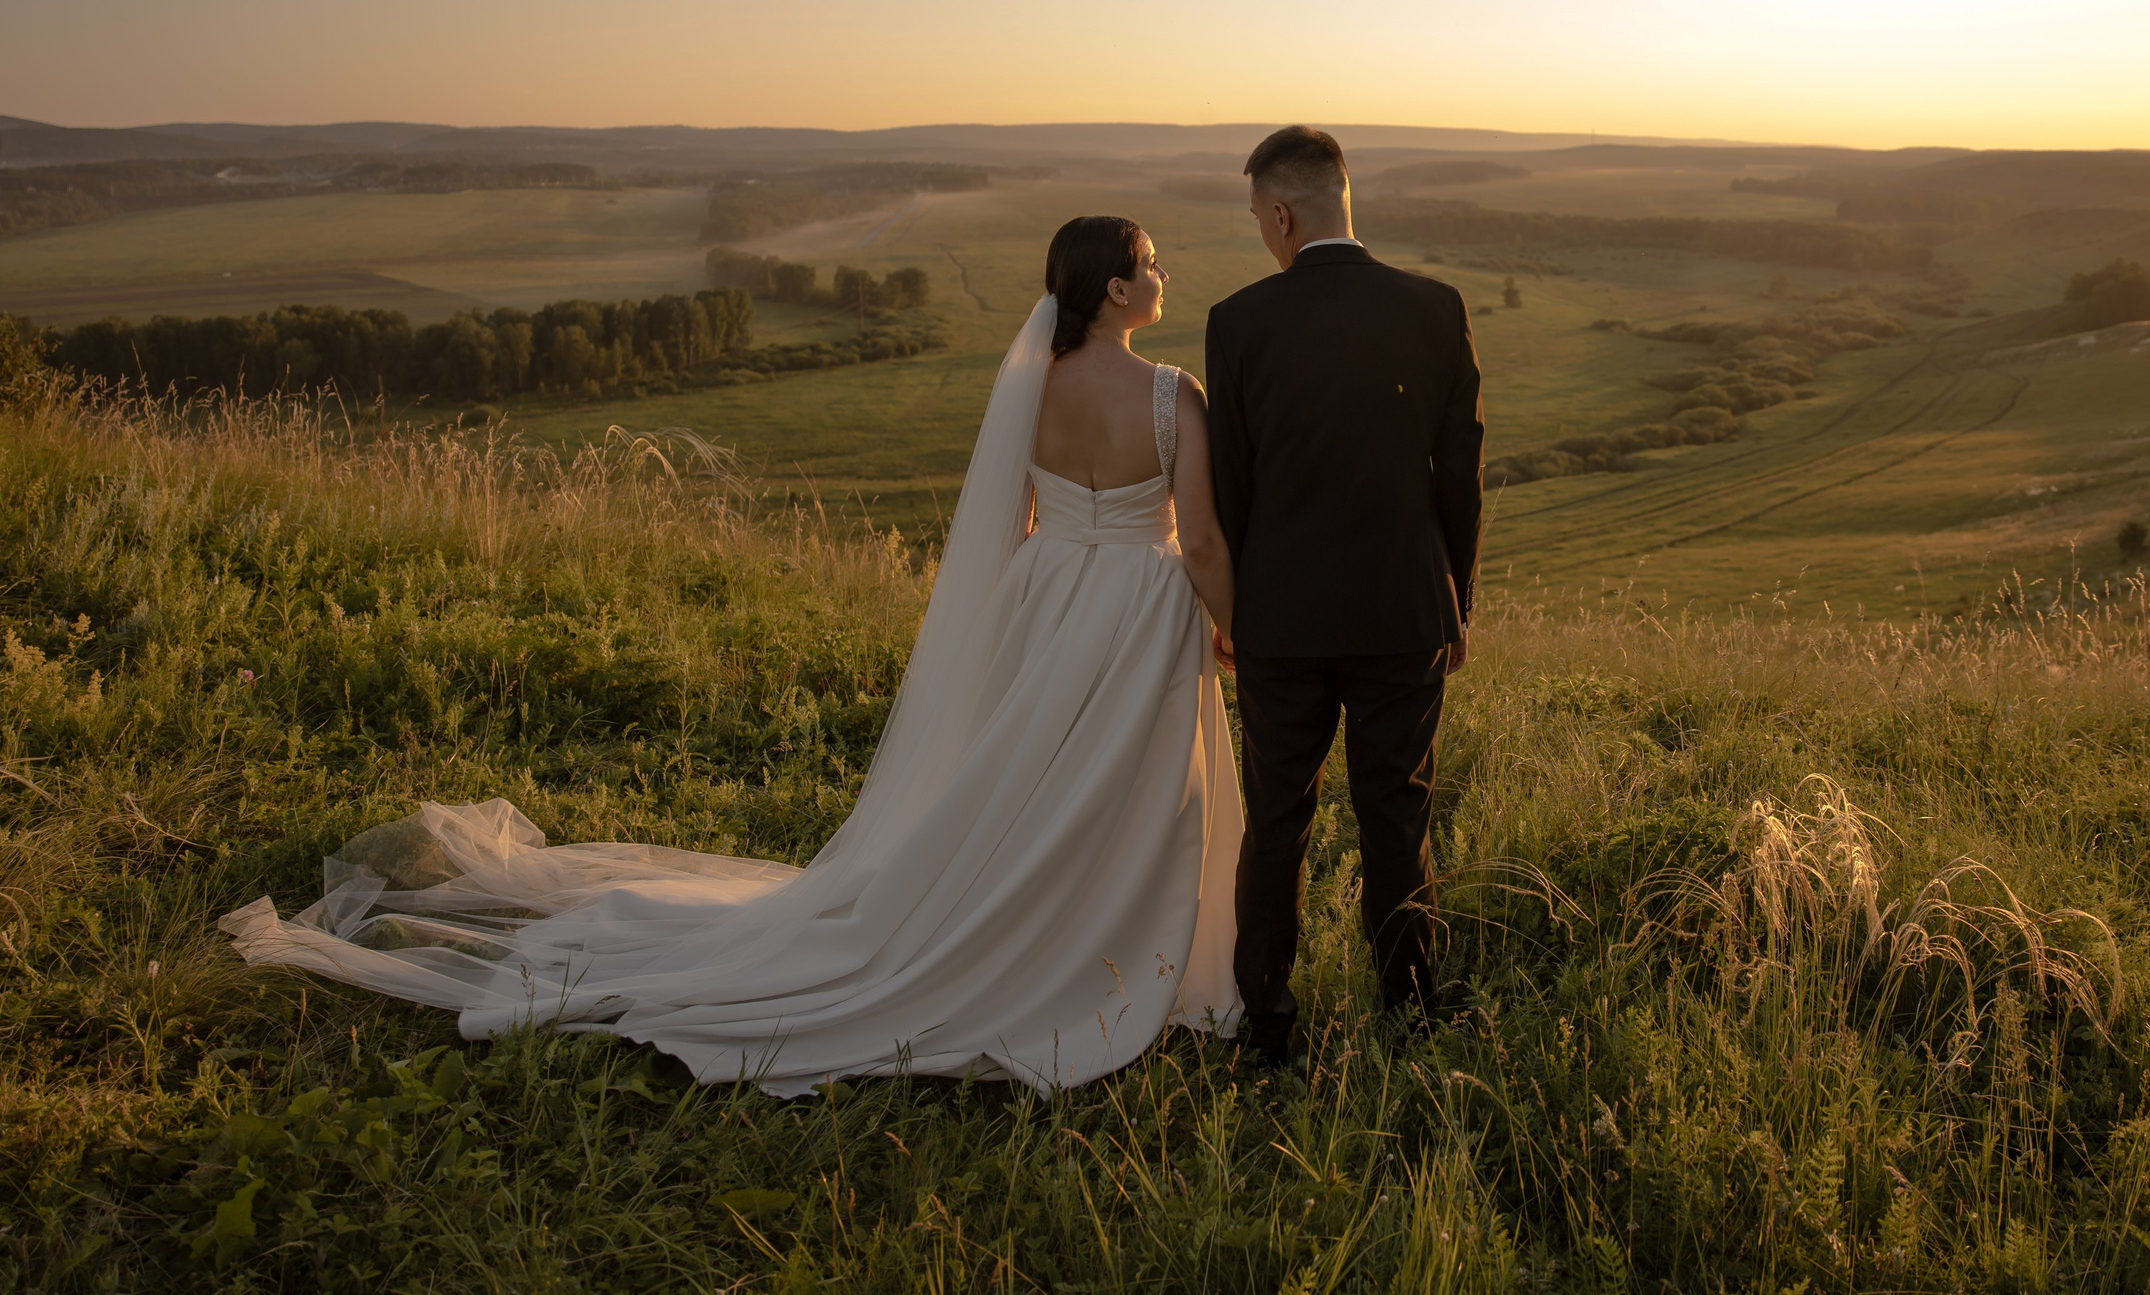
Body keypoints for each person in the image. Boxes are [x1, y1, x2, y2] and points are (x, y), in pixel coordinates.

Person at [220, 218, 1245, 1095]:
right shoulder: (1171, 393)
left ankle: (1008, 915)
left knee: (1024, 779)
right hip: (1138, 603)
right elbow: (1197, 540)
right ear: (1116, 290)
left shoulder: (1033, 385)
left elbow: (1011, 522)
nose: (1162, 274)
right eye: (1150, 263)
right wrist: (1232, 625)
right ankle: (1112, 946)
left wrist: (1049, 584)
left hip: (1047, 591)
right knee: (1136, 783)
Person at [1205, 125, 1484, 1068]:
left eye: (1259, 219)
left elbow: (1231, 485)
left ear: (1281, 214)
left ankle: (1265, 1026)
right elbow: (1460, 476)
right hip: (1404, 608)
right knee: (1397, 815)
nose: (1262, 234)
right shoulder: (1436, 307)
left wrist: (1235, 612)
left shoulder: (1238, 321)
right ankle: (1410, 1016)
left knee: (1276, 823)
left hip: (1279, 618)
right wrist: (1457, 602)